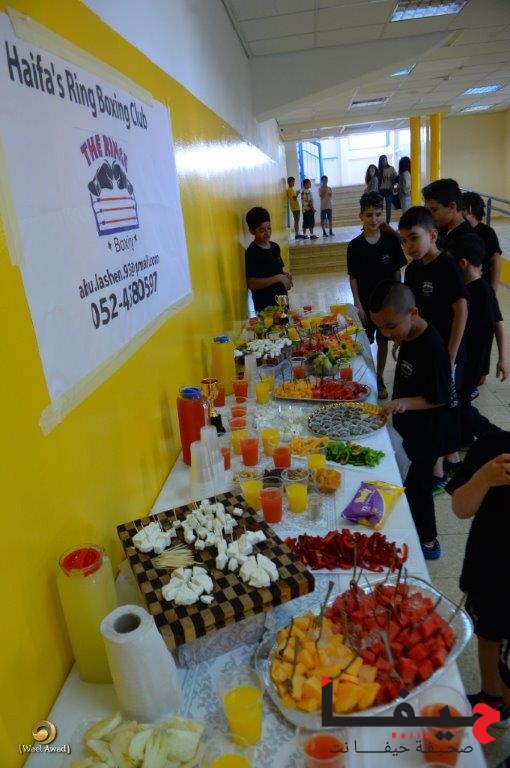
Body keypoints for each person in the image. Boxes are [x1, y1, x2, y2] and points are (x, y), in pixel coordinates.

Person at [369, 281, 457, 560]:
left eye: (391, 327)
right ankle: (409, 521)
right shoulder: (408, 334)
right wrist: (399, 340)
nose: (386, 334)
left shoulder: (433, 347)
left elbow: (440, 397)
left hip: (427, 433)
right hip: (409, 428)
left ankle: (429, 541)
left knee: (419, 487)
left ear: (413, 313)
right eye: (380, 328)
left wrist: (404, 403)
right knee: (409, 481)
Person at [399, 206, 467, 492]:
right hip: (420, 348)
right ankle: (445, 459)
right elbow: (409, 311)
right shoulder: (412, 270)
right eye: (404, 241)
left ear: (433, 235)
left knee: (442, 405)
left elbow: (461, 310)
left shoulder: (447, 267)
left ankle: (441, 468)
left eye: (414, 238)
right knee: (427, 404)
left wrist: (451, 353)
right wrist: (402, 339)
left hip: (445, 351)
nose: (409, 246)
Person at [446, 432, 510, 727]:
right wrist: (483, 478)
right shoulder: (492, 446)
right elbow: (461, 507)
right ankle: (492, 700)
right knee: (487, 633)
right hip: (489, 570)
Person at [448, 234, 509, 445]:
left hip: (473, 361)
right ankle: (464, 439)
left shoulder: (482, 290)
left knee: (461, 404)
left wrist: (503, 359)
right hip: (464, 359)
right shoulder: (464, 288)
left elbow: (498, 323)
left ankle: (501, 440)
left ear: (462, 264)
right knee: (460, 402)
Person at [347, 192, 407, 399]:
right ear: (361, 215)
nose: (374, 219)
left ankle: (379, 377)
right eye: (369, 215)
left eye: (378, 214)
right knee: (364, 344)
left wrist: (397, 299)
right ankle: (368, 377)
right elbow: (353, 277)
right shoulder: (354, 246)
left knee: (383, 341)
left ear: (383, 214)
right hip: (365, 304)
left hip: (387, 305)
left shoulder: (390, 241)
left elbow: (397, 272)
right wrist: (358, 304)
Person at [244, 206, 293, 312]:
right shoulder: (252, 252)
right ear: (252, 231)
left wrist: (285, 276)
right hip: (266, 309)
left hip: (282, 302)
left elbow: (277, 271)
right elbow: (252, 283)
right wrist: (279, 278)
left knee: (286, 321)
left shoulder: (275, 247)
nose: (267, 233)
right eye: (262, 230)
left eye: (269, 228)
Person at [461, 191, 502, 292]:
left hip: (481, 287)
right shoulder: (459, 230)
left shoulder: (487, 232)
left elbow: (495, 261)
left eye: (461, 208)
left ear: (470, 209)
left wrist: (493, 289)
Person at [422, 177, 472, 251]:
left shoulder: (467, 240)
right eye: (428, 210)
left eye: (434, 210)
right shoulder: (441, 228)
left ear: (452, 206)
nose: (430, 216)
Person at [378, 154, 397, 224]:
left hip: (389, 190)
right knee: (379, 207)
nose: (385, 162)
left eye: (386, 160)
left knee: (388, 208)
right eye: (383, 160)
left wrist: (394, 188)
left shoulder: (391, 169)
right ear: (380, 161)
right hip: (381, 191)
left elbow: (396, 178)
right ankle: (379, 222)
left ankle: (387, 223)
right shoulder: (379, 170)